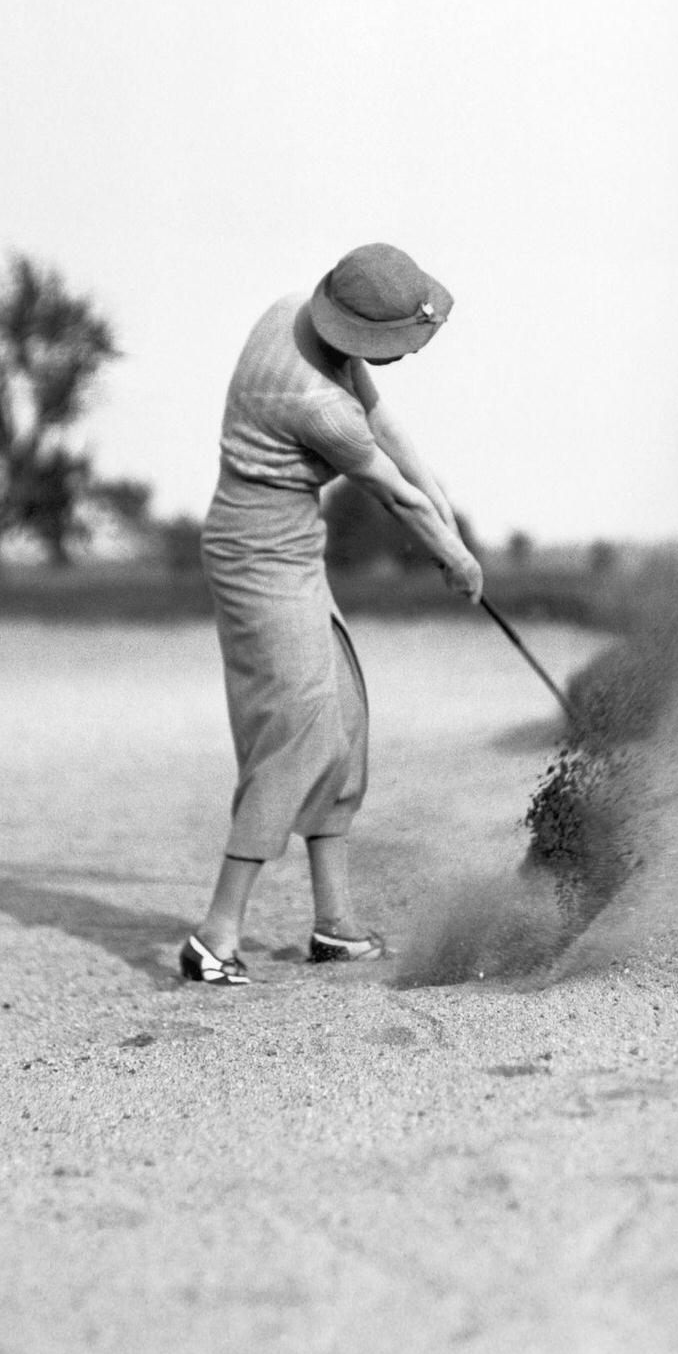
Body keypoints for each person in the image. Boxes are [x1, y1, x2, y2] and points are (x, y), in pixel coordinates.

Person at [183, 243, 483, 985]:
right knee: (298, 730)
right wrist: (458, 560)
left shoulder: (296, 314)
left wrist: (448, 515)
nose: (399, 358)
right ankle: (214, 939)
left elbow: (391, 432)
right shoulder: (316, 405)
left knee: (343, 714)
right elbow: (395, 495)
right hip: (255, 556)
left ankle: (335, 924)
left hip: (293, 547)